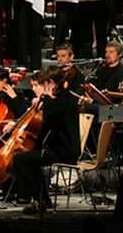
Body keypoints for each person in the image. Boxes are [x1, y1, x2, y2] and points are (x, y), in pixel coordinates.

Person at [11, 66, 81, 214]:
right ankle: (42, 200)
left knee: (20, 160)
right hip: (59, 147)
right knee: (28, 159)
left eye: (41, 84)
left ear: (50, 83)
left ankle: (40, 200)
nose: (38, 89)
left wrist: (44, 102)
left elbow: (45, 126)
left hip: (64, 151)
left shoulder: (58, 102)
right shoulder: (63, 98)